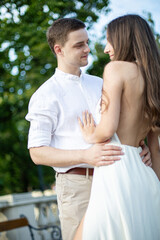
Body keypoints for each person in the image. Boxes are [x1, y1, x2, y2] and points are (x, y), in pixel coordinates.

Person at [25, 18, 152, 240]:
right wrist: (86, 155)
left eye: (87, 42)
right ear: (58, 49)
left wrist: (141, 147)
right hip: (77, 186)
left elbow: (126, 126)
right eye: (79, 45)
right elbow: (36, 152)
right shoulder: (45, 95)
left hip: (119, 179)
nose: (88, 49)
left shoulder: (102, 82)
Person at [74, 14, 160, 240]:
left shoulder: (116, 69)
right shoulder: (154, 78)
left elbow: (107, 129)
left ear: (123, 39)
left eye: (109, 40)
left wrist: (90, 134)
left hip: (116, 169)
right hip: (146, 175)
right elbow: (156, 148)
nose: (105, 49)